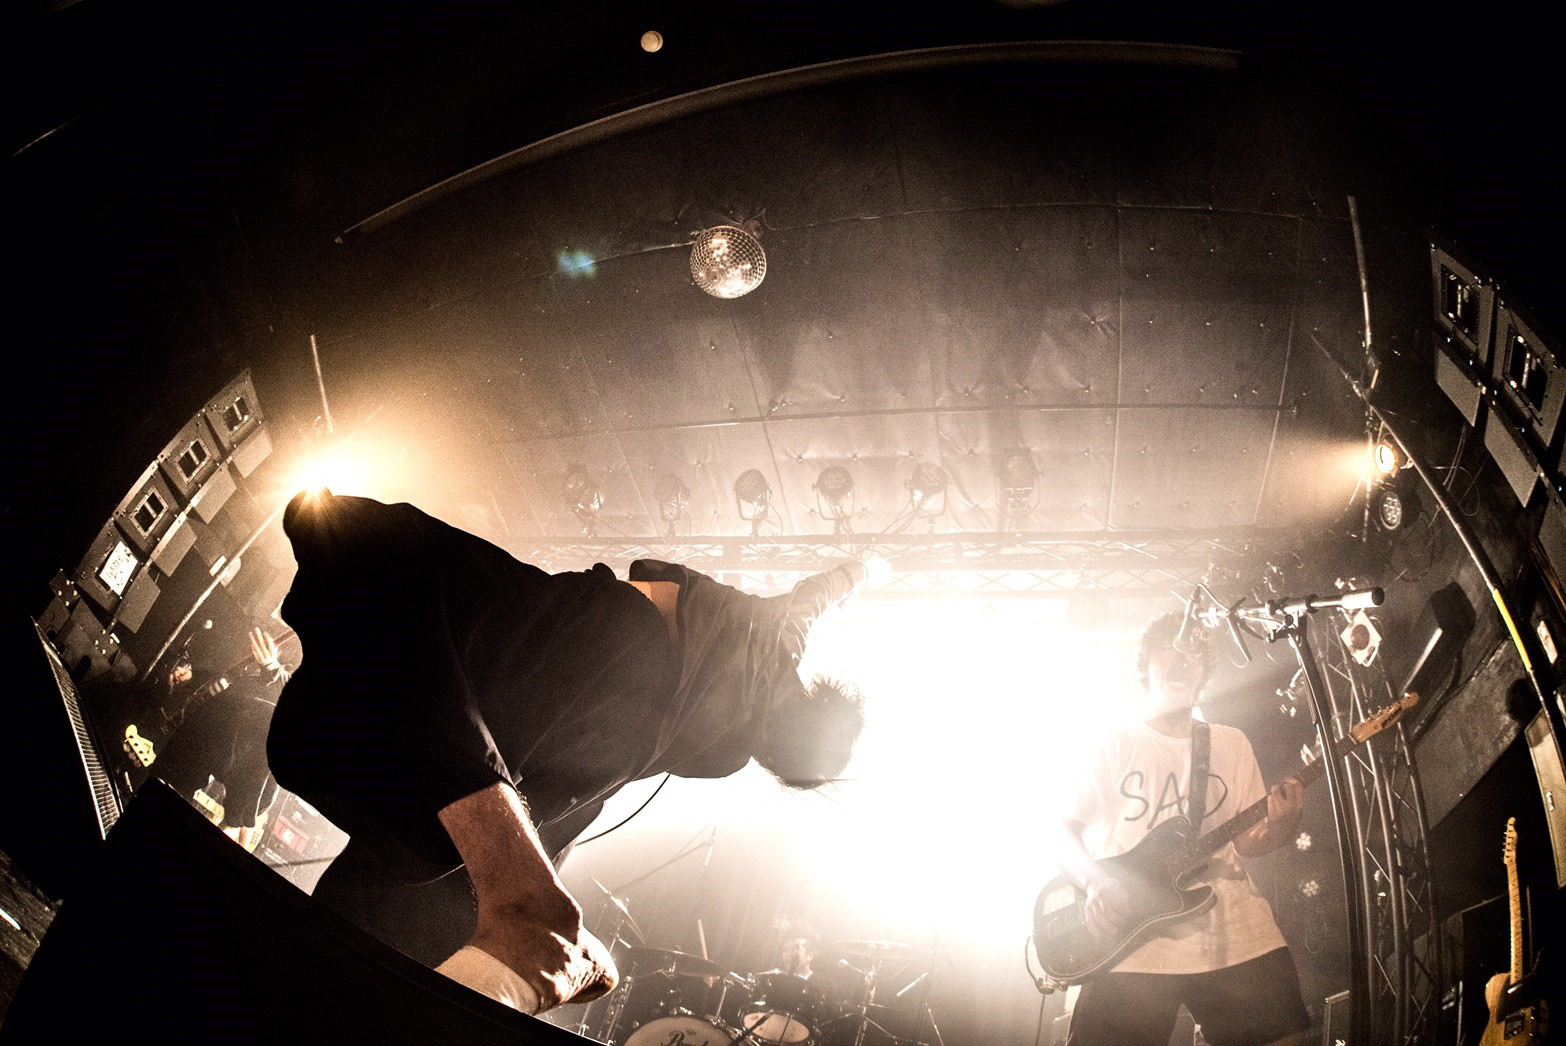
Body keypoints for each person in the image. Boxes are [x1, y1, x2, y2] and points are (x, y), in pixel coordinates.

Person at [265, 489, 873, 1016]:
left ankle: (508, 912)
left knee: (398, 598)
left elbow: (822, 592)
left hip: (612, 653)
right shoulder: (743, 729)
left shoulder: (781, 633)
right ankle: (467, 935)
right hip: (611, 723)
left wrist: (862, 568)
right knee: (445, 854)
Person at [1046, 612, 1312, 1046]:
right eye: (1172, 647)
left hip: (1233, 930)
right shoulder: (1114, 744)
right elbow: (1060, 832)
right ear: (1146, 666)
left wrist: (1284, 825)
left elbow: (1249, 842)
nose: (1185, 658)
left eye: (1195, 652)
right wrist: (1095, 881)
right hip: (1132, 939)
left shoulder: (1231, 742)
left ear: (1204, 671)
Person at [154, 624, 294, 851]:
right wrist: (194, 678)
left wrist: (273, 669)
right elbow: (230, 684)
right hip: (197, 736)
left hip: (220, 751)